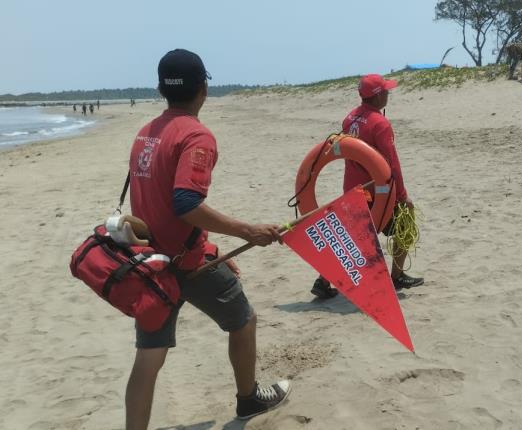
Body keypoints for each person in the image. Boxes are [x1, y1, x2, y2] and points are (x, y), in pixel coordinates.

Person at [125, 49, 290, 429]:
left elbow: (157, 205)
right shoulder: (196, 135)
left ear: (160, 89)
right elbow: (184, 203)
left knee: (149, 357)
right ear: (203, 88)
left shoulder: (145, 134)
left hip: (150, 263)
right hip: (186, 265)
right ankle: (248, 401)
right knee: (244, 320)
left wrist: (212, 244)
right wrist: (249, 231)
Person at [311, 74, 424, 299]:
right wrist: (402, 195)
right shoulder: (380, 124)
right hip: (376, 192)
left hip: (352, 189)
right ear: (377, 95)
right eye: (386, 91)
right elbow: (392, 163)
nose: (388, 94)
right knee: (406, 221)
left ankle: (322, 281)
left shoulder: (350, 118)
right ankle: (397, 276)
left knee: (350, 236)